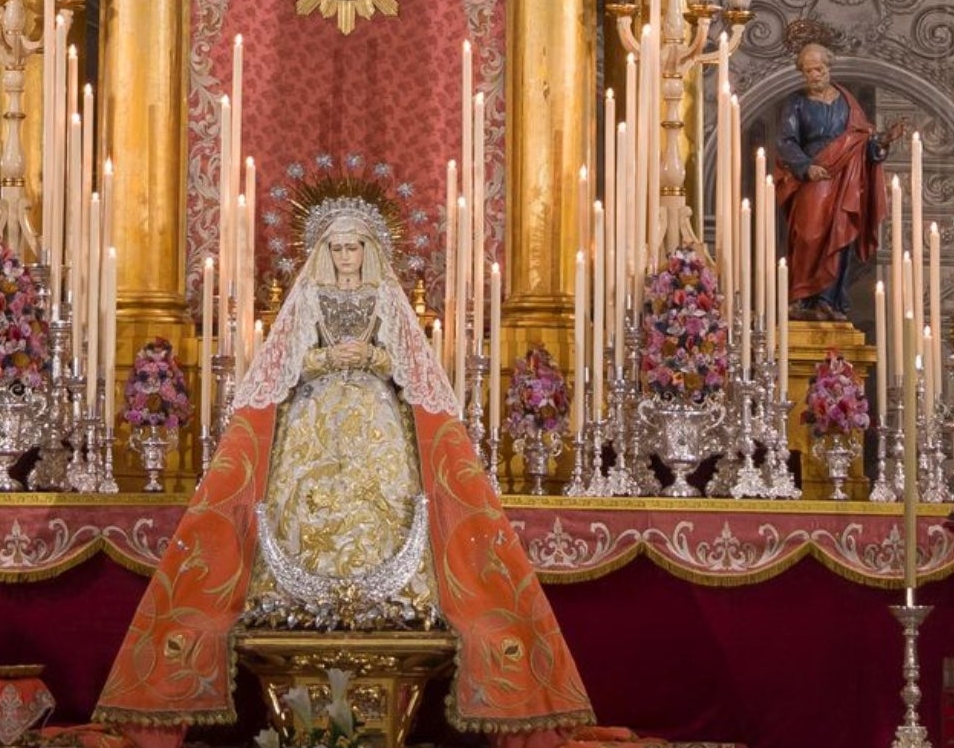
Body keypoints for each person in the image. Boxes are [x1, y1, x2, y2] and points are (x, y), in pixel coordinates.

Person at [95, 199, 593, 745]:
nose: (346, 256)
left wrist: (373, 359)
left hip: (376, 414)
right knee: (311, 492)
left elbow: (407, 361)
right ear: (324, 253)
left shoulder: (386, 297)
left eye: (354, 247)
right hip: (316, 413)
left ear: (370, 251)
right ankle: (296, 594)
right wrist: (327, 361)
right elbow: (287, 361)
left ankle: (394, 595)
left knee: (381, 492)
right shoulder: (309, 295)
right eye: (336, 248)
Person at [774, 41, 907, 320]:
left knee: (841, 233)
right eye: (808, 71)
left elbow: (861, 141)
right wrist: (806, 167)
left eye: (819, 69)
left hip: (846, 177)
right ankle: (802, 297)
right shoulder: (796, 103)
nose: (814, 75)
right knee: (808, 234)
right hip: (813, 176)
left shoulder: (846, 102)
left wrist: (882, 140)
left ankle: (829, 300)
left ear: (829, 67)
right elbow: (786, 142)